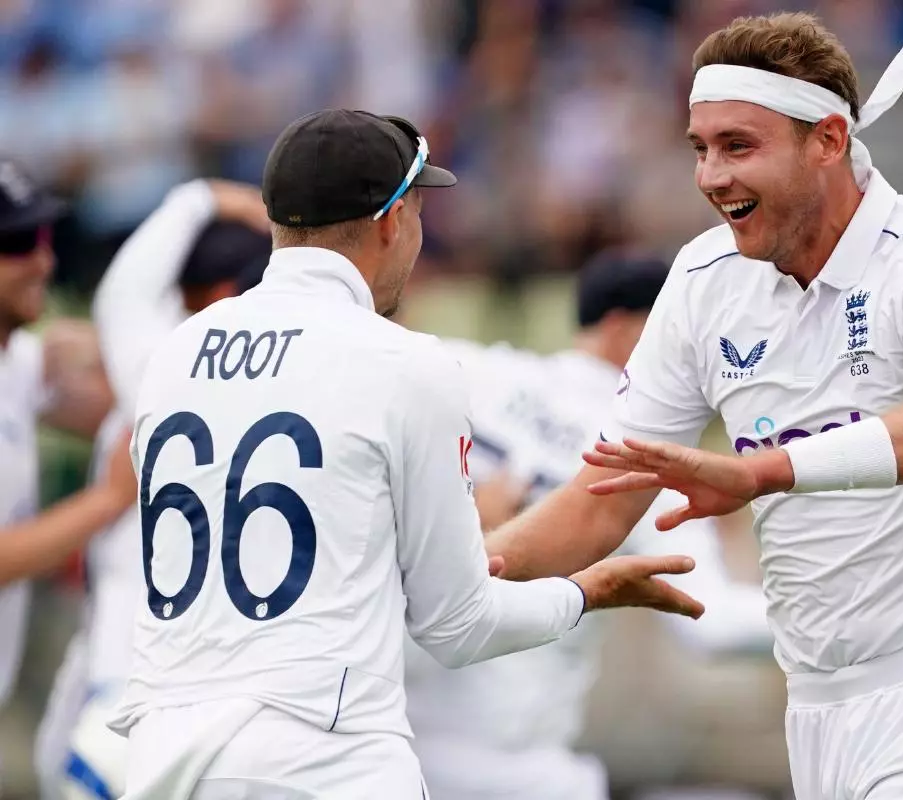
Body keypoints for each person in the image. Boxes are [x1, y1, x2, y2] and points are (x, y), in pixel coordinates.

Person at [485, 13, 903, 799]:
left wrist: (764, 472)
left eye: (738, 146)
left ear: (827, 140)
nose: (710, 176)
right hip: (818, 711)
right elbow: (604, 497)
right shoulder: (703, 278)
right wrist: (468, 567)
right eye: (700, 148)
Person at [109, 109, 704, 800]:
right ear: (393, 220)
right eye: (420, 213)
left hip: (164, 757)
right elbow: (457, 626)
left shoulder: (175, 351)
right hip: (324, 762)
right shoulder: (408, 363)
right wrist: (585, 593)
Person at [406, 250, 773, 800]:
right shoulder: (645, 453)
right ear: (626, 330)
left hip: (399, 754)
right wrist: (856, 613)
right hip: (518, 769)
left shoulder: (467, 372)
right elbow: (714, 623)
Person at [35, 177, 274, 800]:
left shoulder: (161, 367)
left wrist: (200, 197)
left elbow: (125, 292)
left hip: (134, 669)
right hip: (224, 677)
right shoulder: (298, 385)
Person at [0, 156, 118, 764]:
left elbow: (115, 408)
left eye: (43, 238)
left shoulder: (17, 362)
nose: (43, 260)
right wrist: (107, 500)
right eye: (17, 244)